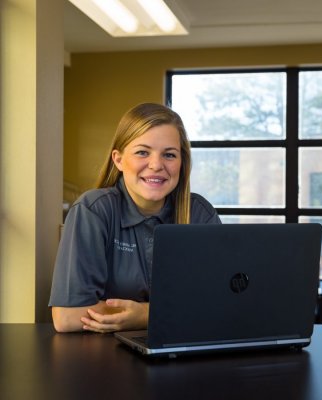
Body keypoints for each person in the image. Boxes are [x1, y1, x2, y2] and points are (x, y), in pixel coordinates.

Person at [49, 103, 221, 333]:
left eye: (169, 155)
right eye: (142, 152)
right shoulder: (93, 211)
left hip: (181, 353)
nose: (156, 165)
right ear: (118, 160)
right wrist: (175, 312)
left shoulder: (200, 213)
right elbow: (67, 317)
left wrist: (144, 315)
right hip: (103, 358)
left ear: (182, 163)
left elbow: (221, 305)